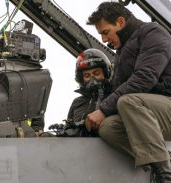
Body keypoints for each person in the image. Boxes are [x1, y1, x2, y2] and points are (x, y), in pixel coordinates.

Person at [85, 1, 171, 182]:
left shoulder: (152, 33)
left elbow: (145, 78)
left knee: (128, 101)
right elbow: (119, 91)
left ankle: (166, 175)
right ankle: (158, 164)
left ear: (121, 22)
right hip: (149, 116)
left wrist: (104, 109)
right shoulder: (123, 51)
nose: (104, 40)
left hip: (165, 106)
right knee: (108, 128)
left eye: (105, 32)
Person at [66, 48, 112, 136]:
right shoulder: (77, 102)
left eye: (96, 73)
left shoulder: (114, 98)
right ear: (81, 79)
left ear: (106, 73)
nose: (92, 79)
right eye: (87, 76)